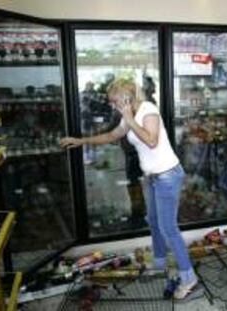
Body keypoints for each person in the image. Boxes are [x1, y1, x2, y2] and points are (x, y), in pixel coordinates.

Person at [60, 78, 198, 299]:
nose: (113, 105)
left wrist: (129, 118)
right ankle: (159, 263)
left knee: (168, 228)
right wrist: (80, 141)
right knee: (153, 222)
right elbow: (111, 136)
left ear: (127, 98)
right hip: (152, 177)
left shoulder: (147, 110)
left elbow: (152, 141)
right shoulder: (130, 116)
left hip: (168, 176)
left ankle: (189, 278)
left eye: (115, 101)